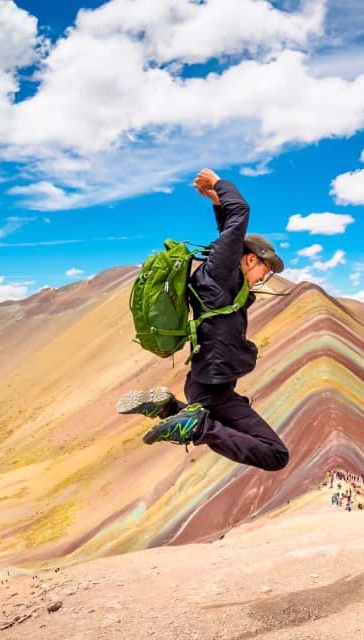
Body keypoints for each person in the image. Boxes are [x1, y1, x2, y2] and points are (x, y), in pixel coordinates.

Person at [116, 168, 289, 472]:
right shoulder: (221, 272)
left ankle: (168, 408)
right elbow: (241, 215)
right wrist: (220, 184)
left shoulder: (220, 275)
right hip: (213, 385)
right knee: (276, 455)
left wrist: (215, 202)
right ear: (250, 259)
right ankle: (193, 426)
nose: (266, 275)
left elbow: (228, 233)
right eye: (266, 267)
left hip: (205, 382)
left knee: (222, 420)